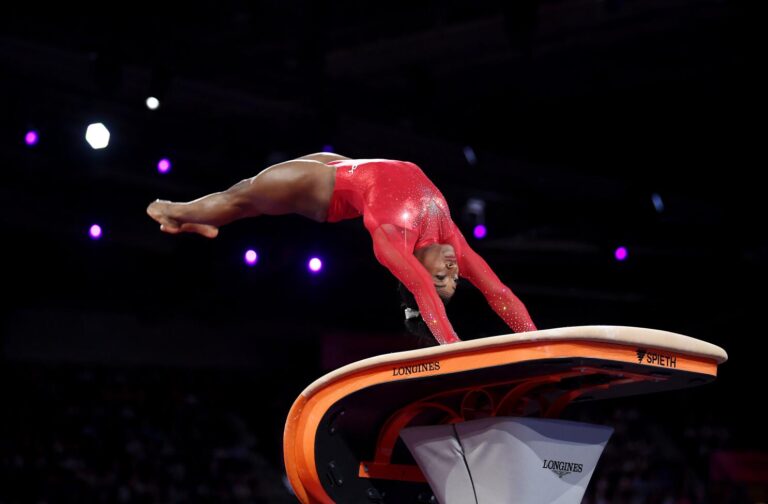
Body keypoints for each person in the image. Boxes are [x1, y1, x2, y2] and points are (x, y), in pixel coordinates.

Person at [147, 153, 536, 345]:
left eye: (441, 278)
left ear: (417, 267)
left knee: (242, 197)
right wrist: (537, 340)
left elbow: (420, 291)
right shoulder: (451, 239)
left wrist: (453, 349)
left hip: (323, 192)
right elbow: (499, 292)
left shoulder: (392, 238)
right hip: (347, 167)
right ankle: (201, 220)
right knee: (240, 200)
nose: (453, 271)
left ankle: (170, 211)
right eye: (454, 279)